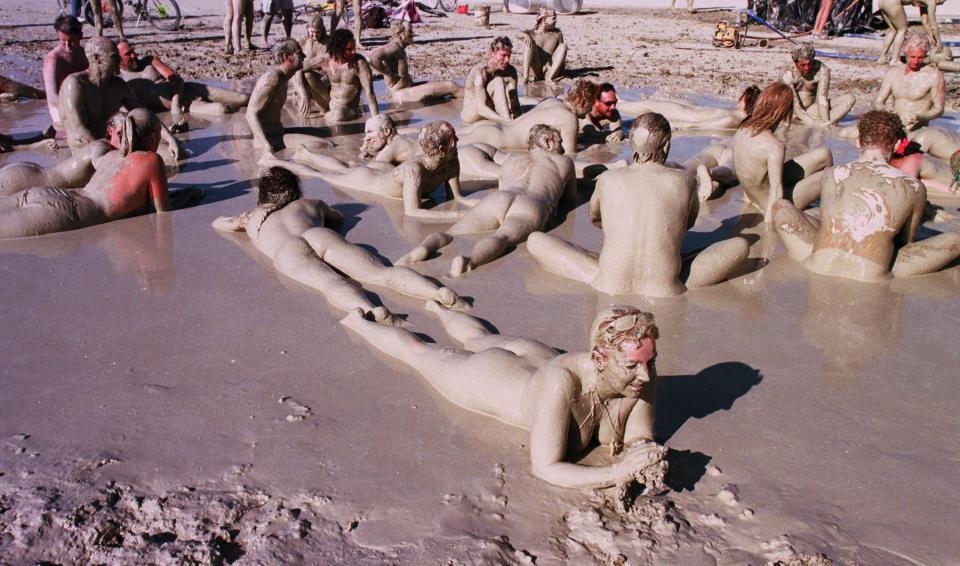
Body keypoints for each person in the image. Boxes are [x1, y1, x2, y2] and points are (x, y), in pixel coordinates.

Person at [339, 303, 668, 489]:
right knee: (419, 351)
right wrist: (615, 473)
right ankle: (360, 321)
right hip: (492, 378)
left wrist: (645, 456)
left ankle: (438, 308)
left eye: (649, 363)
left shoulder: (640, 370)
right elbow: (547, 467)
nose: (645, 375)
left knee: (479, 335)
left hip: (535, 356)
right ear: (600, 358)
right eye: (632, 366)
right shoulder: (562, 382)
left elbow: (640, 436)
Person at [527, 113, 748, 297]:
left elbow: (595, 219)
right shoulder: (685, 180)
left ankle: (612, 263)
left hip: (607, 281)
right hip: (667, 286)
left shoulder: (607, 180)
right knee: (741, 245)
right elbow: (686, 224)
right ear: (667, 145)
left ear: (631, 144)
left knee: (535, 240)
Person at [212, 167, 468, 325]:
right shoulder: (309, 204)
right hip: (317, 234)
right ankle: (438, 294)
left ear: (263, 196)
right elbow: (339, 218)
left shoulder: (253, 218)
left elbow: (219, 223)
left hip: (287, 251)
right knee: (382, 272)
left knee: (331, 284)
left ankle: (374, 311)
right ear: (294, 190)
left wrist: (244, 220)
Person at [772, 110, 960, 280]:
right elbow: (904, 242)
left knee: (781, 206)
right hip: (871, 273)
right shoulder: (913, 186)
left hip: (817, 261)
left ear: (858, 142)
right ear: (896, 145)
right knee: (954, 240)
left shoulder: (832, 174)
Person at [397, 124, 576, 276]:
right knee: (502, 237)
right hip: (531, 204)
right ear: (549, 142)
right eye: (560, 142)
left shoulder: (510, 162)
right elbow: (570, 199)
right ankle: (469, 261)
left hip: (500, 198)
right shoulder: (564, 162)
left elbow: (504, 188)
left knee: (451, 233)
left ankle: (420, 251)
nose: (563, 147)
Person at [0, 109, 186, 239]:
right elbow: (162, 213)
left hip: (47, 192)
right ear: (154, 137)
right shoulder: (151, 161)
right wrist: (187, 198)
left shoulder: (111, 155)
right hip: (67, 212)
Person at [266, 121, 467, 220]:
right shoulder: (414, 170)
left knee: (343, 168)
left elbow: (457, 198)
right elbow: (412, 211)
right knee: (321, 174)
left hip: (386, 170)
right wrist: (455, 216)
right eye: (453, 138)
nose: (457, 141)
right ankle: (273, 160)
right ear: (441, 148)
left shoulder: (451, 160)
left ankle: (307, 154)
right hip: (368, 181)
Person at [58, 38, 185, 162]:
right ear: (96, 58)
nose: (119, 60)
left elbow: (145, 114)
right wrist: (112, 154)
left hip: (113, 146)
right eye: (114, 57)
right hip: (85, 154)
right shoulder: (74, 85)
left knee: (173, 155)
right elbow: (80, 131)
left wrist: (170, 139)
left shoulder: (118, 85)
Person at [731, 82, 832, 221]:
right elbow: (777, 192)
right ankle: (828, 207)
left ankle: (821, 199)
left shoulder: (742, 129)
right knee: (829, 175)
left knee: (824, 154)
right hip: (769, 205)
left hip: (755, 194)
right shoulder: (774, 146)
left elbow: (745, 170)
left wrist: (747, 200)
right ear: (785, 112)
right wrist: (769, 228)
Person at [118, 40, 250, 133]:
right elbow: (137, 112)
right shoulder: (121, 82)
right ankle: (246, 116)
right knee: (221, 110)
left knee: (243, 98)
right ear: (118, 59)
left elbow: (176, 79)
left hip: (188, 90)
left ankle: (260, 108)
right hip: (186, 106)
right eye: (128, 54)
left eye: (133, 51)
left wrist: (175, 103)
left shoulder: (149, 61)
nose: (134, 55)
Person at [874, 32, 959, 161]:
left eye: (921, 57)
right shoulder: (893, 72)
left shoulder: (933, 75)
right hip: (895, 126)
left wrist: (920, 116)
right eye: (912, 57)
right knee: (846, 133)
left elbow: (939, 109)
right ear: (905, 52)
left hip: (917, 130)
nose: (916, 61)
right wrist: (887, 111)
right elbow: (878, 102)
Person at [458, 79, 596, 156]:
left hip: (491, 127)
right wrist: (592, 150)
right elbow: (570, 156)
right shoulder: (569, 118)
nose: (592, 108)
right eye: (592, 103)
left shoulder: (553, 101)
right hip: (498, 140)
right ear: (582, 102)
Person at [246, 38, 332, 153]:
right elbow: (250, 114)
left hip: (278, 131)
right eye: (299, 53)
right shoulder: (273, 79)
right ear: (287, 57)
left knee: (326, 132)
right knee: (324, 145)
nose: (304, 56)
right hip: (267, 138)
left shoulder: (284, 76)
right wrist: (266, 146)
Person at [368, 21, 461, 104]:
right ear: (399, 34)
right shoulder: (394, 47)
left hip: (408, 90)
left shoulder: (399, 48)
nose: (412, 34)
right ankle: (473, 101)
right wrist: (389, 74)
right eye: (409, 31)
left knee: (445, 92)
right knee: (452, 86)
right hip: (402, 94)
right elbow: (372, 58)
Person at [617, 85, 761, 131]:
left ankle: (616, 103)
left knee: (646, 106)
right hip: (689, 110)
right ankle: (619, 101)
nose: (739, 98)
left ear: (747, 100)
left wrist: (674, 126)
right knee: (646, 105)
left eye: (743, 96)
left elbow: (697, 126)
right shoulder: (736, 115)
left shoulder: (732, 119)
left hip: (683, 114)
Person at [782, 43, 854, 127]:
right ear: (795, 62)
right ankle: (813, 123)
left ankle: (824, 123)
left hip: (811, 110)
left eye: (809, 64)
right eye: (803, 65)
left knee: (850, 98)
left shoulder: (822, 69)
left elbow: (822, 99)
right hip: (792, 112)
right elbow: (795, 104)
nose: (807, 68)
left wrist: (825, 120)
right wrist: (812, 123)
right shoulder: (787, 72)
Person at [315, 29, 379, 123]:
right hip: (329, 103)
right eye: (349, 49)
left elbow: (370, 93)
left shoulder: (359, 63)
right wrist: (302, 92)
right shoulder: (326, 59)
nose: (354, 52)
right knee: (307, 75)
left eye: (354, 48)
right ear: (338, 50)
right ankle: (325, 113)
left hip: (348, 109)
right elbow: (300, 67)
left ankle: (325, 117)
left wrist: (376, 121)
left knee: (338, 114)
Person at [460, 37, 522, 125]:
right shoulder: (481, 73)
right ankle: (508, 125)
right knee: (498, 81)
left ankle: (508, 124)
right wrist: (506, 121)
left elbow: (515, 104)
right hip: (471, 115)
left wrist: (520, 121)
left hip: (491, 112)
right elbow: (480, 108)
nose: (507, 60)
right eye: (503, 55)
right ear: (492, 53)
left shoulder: (511, 72)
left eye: (509, 55)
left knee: (498, 81)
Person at [43, 15, 89, 126]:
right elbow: (52, 96)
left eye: (71, 40)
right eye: (63, 41)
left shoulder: (85, 53)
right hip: (60, 106)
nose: (68, 45)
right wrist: (73, 110)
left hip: (85, 101)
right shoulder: (53, 59)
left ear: (80, 36)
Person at [291, 13, 331, 118]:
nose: (314, 35)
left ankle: (322, 108)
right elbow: (292, 66)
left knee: (306, 74)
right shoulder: (302, 41)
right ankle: (304, 99)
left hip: (324, 82)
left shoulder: (330, 42)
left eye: (317, 32)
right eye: (312, 32)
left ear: (323, 29)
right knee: (296, 73)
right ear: (307, 29)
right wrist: (302, 92)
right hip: (303, 79)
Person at [515, 8, 567, 84]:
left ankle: (549, 79)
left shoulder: (557, 33)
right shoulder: (532, 33)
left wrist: (558, 70)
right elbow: (517, 34)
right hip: (536, 71)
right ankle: (525, 77)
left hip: (549, 71)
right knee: (529, 43)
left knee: (563, 46)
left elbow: (562, 56)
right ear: (544, 19)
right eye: (553, 18)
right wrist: (525, 35)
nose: (556, 20)